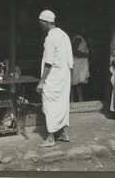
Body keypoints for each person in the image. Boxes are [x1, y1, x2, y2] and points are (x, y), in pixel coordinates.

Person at [36, 10, 73, 147]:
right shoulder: (64, 35)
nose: (41, 26)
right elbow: (70, 60)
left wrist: (41, 82)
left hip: (53, 76)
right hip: (64, 76)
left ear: (46, 22)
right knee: (61, 104)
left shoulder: (50, 38)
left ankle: (51, 138)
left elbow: (48, 62)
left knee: (50, 105)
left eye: (41, 23)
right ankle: (63, 133)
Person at [70, 28, 90, 102]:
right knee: (74, 82)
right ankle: (72, 101)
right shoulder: (78, 38)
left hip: (80, 63)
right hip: (76, 63)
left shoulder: (81, 38)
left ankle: (79, 100)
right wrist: (85, 54)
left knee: (78, 82)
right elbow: (73, 50)